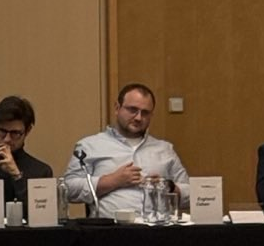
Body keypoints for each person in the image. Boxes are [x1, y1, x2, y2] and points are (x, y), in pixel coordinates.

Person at [64, 83, 189, 221]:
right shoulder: (89, 146)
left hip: (157, 228)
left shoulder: (165, 149)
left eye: (145, 113)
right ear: (117, 108)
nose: (138, 118)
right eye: (132, 110)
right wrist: (112, 181)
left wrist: (168, 187)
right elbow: (68, 189)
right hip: (110, 229)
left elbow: (191, 194)